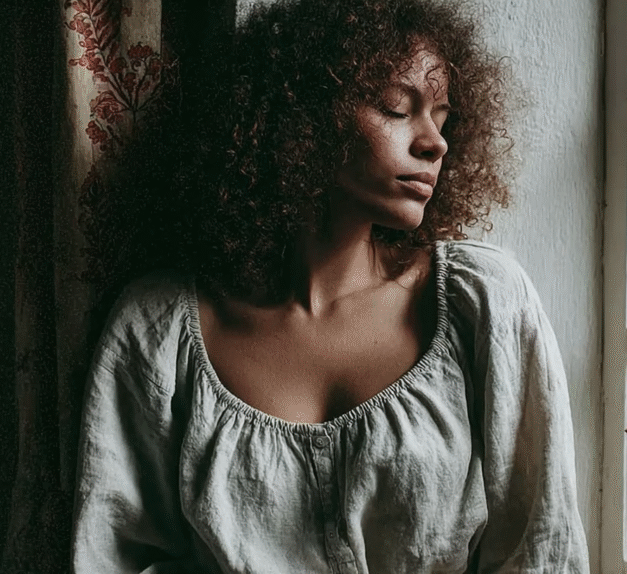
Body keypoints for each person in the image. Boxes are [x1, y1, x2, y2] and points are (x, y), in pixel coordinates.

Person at [71, 0, 591, 572]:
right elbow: (111, 553)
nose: (434, 143)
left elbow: (542, 550)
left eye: (442, 117)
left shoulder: (483, 301)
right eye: (397, 108)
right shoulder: (157, 328)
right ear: (303, 112)